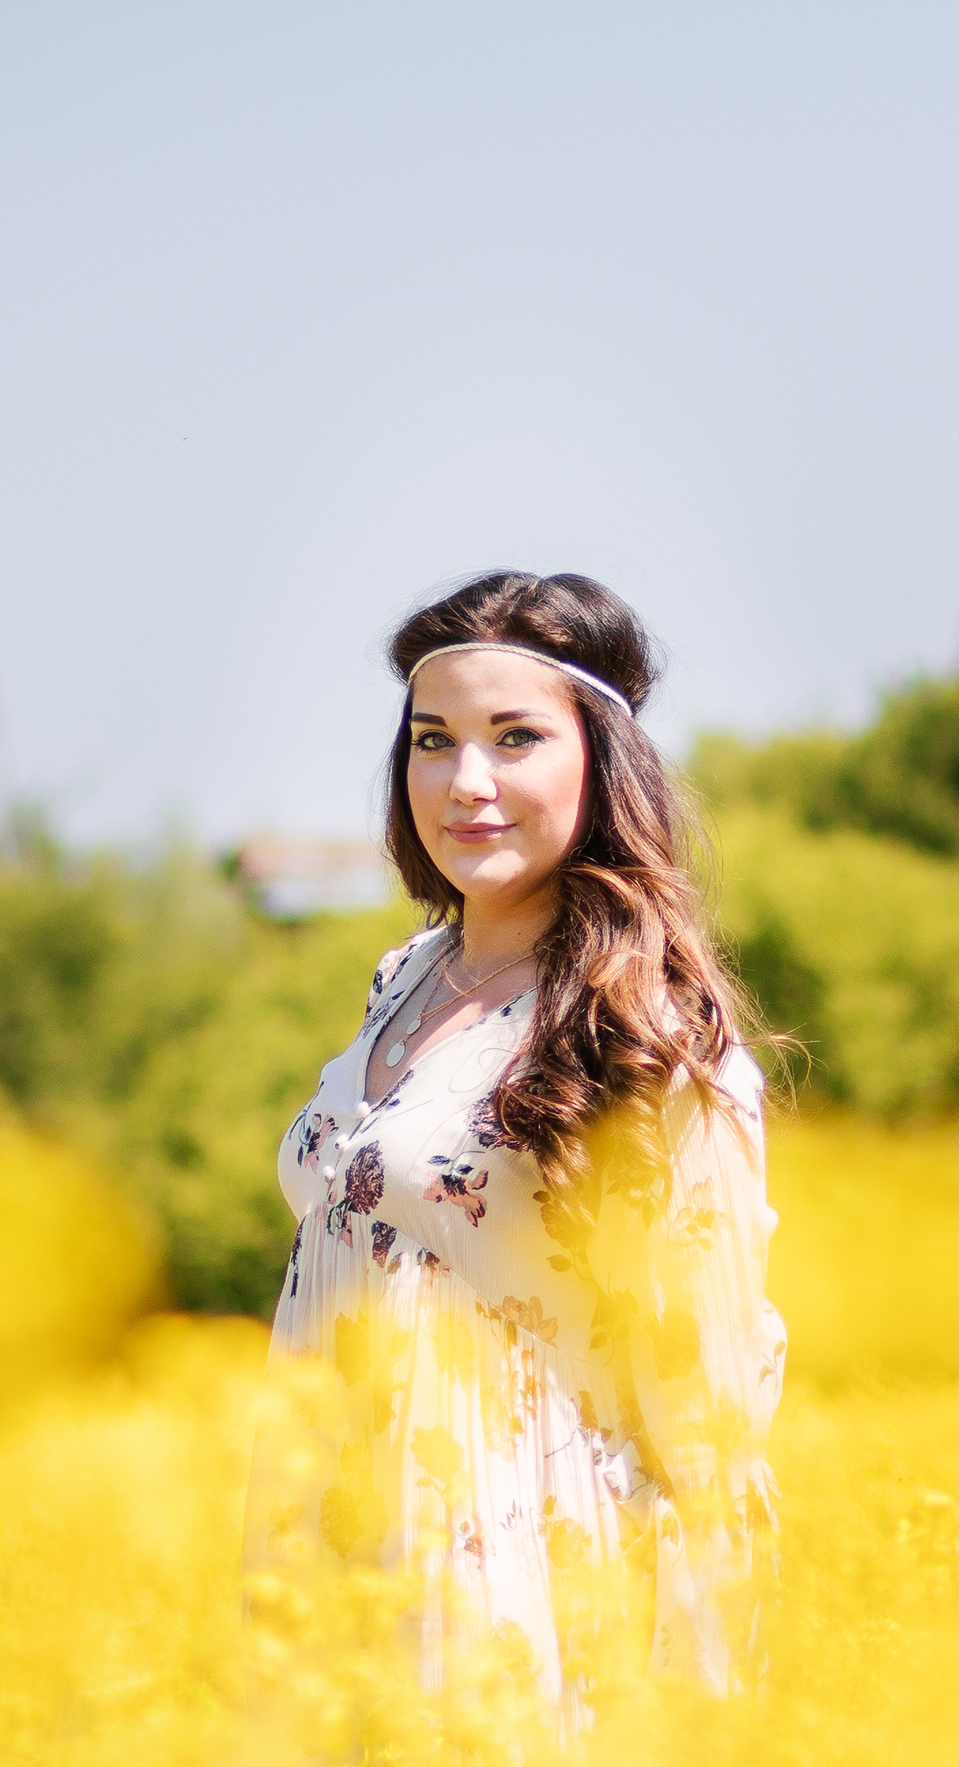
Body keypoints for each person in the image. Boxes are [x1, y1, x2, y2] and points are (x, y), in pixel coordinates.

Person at [253, 572, 782, 1708]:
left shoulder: (648, 1032)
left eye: (516, 738)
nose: (467, 782)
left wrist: (702, 1698)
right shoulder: (403, 981)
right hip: (336, 1572)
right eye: (432, 741)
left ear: (603, 762)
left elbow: (709, 1390)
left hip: (523, 1598)